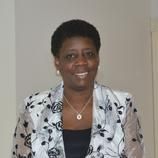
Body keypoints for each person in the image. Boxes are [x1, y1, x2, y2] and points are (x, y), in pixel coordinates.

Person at [12, 19, 144, 158]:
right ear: (57, 62)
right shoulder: (33, 108)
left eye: (89, 54)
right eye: (71, 56)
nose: (81, 61)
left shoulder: (122, 105)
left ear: (98, 59)